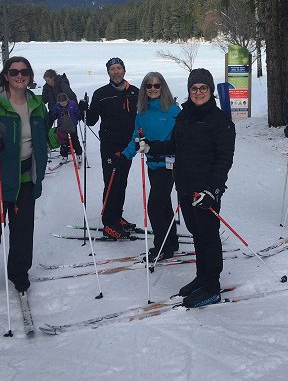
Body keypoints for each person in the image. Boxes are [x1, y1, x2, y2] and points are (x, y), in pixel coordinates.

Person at [140, 68, 235, 308]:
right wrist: (152, 147)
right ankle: (202, 278)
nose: (199, 92)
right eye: (194, 88)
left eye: (204, 88)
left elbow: (224, 160)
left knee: (208, 235)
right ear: (189, 91)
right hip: (184, 186)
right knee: (196, 233)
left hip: (204, 191)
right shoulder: (184, 116)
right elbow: (175, 145)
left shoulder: (220, 120)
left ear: (211, 91)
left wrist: (213, 190)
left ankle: (212, 285)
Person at [0, 56, 58, 301]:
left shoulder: (37, 104)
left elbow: (43, 138)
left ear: (30, 75)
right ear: (6, 75)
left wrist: (59, 133)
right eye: (14, 71)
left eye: (24, 71)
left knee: (22, 231)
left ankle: (19, 274)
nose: (20, 75)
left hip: (26, 179)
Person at [122, 72, 180, 260]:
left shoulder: (173, 111)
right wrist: (124, 155)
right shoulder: (142, 112)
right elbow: (136, 138)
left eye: (157, 85)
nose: (153, 89)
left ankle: (162, 247)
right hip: (152, 165)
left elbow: (181, 139)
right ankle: (171, 241)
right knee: (163, 204)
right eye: (149, 86)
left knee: (154, 206)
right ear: (144, 89)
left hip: (169, 165)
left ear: (162, 87)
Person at [81, 57, 139, 239]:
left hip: (128, 146)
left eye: (119, 68)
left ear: (124, 70)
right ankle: (109, 222)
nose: (116, 72)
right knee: (112, 181)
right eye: (112, 69)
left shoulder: (135, 92)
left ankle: (117, 215)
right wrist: (84, 110)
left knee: (122, 181)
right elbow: (91, 120)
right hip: (109, 145)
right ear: (108, 72)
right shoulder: (101, 93)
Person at [52, 92, 82, 163]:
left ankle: (79, 155)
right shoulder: (57, 106)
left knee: (75, 140)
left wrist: (78, 115)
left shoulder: (72, 104)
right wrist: (53, 115)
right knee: (63, 142)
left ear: (67, 100)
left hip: (72, 125)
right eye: (61, 103)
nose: (63, 104)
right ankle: (64, 156)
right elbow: (54, 112)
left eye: (64, 102)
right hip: (62, 127)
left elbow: (77, 111)